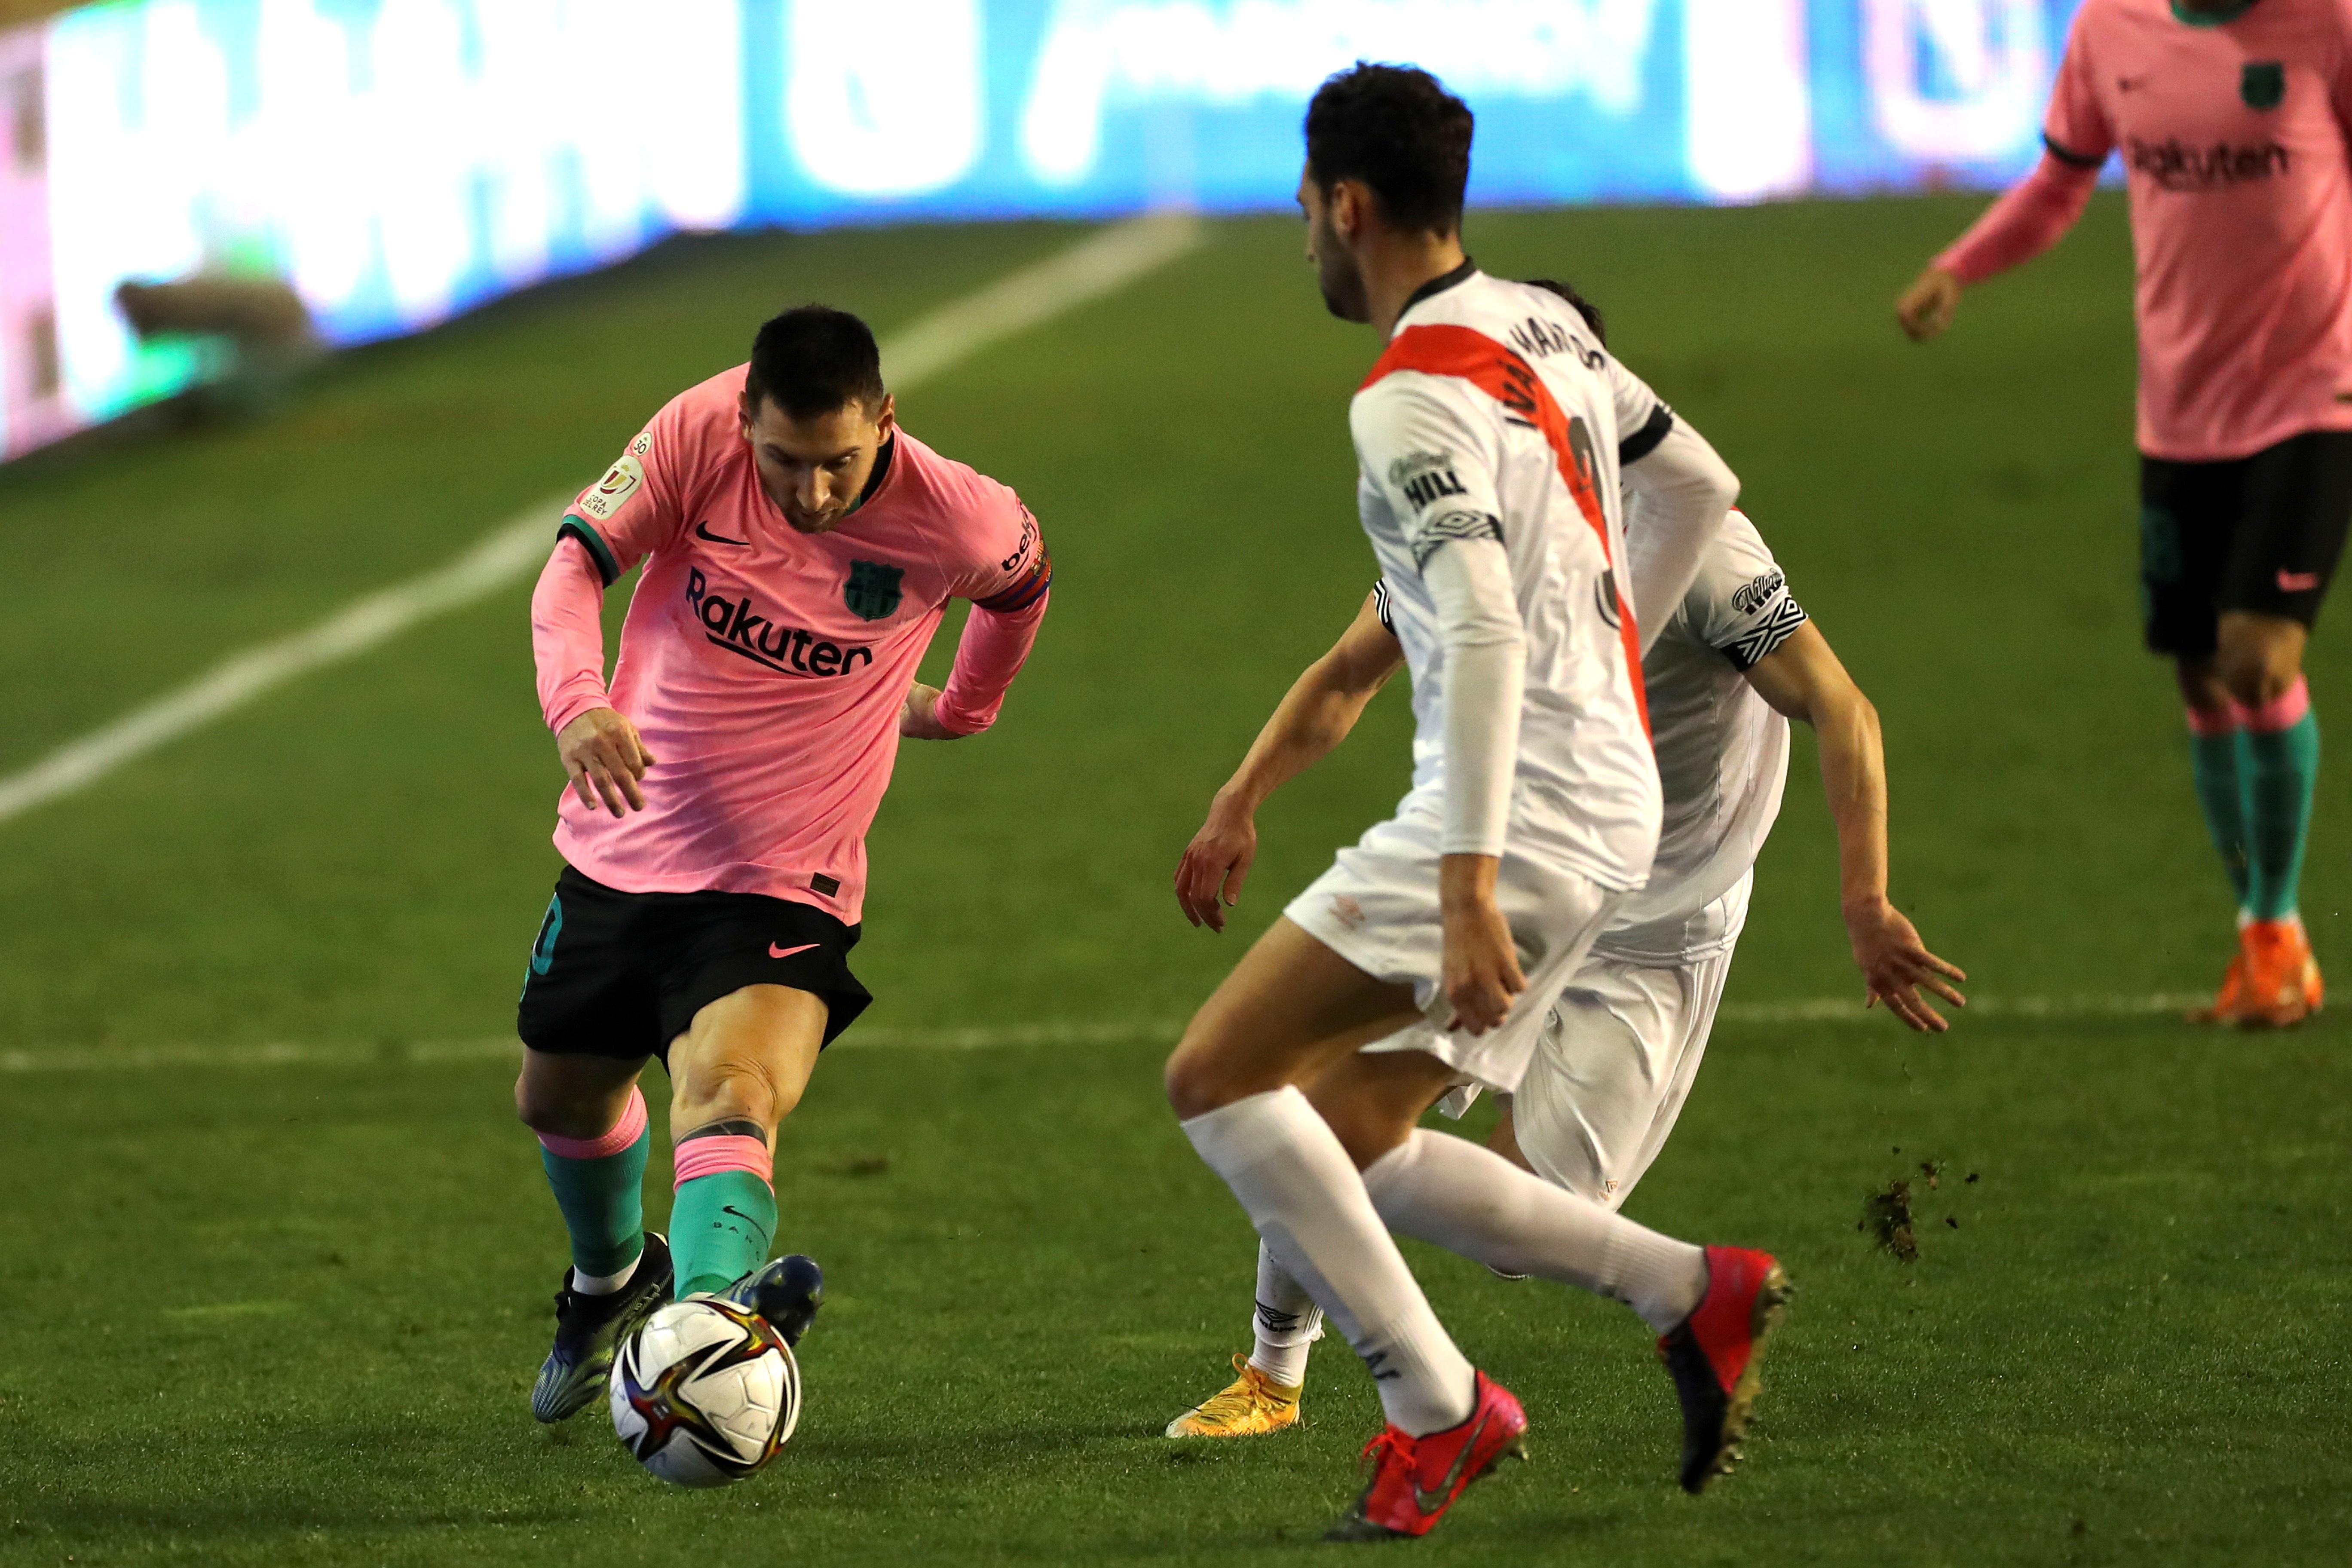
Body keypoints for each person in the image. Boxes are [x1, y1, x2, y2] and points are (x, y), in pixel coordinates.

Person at [1164, 290, 1964, 1444]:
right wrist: (1240, 798)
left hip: (1662, 913)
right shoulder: (1477, 514)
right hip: (1520, 856)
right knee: (1308, 1086)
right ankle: (1274, 1371)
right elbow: (1349, 670)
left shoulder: (1698, 551)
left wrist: (1866, 896)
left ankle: (1680, 1292)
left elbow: (1840, 707)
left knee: (1528, 1206)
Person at [1161, 65, 1775, 1543]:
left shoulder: (1410, 391)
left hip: (1518, 809)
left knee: (1217, 1071)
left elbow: (1487, 626)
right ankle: (1690, 1287)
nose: (1303, 232)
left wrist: (1462, 875)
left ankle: (1436, 1404)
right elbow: (1696, 480)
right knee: (1353, 1121)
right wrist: (1608, 646)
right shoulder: (1543, 321)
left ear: (1348, 205)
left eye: (1307, 207)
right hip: (1606, 792)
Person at [511, 305, 1052, 1423]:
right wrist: (578, 707)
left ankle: (704, 1329)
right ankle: (616, 1279)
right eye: (787, 463)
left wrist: (965, 704)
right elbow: (571, 574)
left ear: (886, 423)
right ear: (746, 418)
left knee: (733, 1091)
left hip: (785, 871)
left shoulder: (957, 513)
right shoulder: (693, 434)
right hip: (629, 841)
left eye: (840, 464)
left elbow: (1020, 587)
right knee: (561, 1100)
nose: (811, 493)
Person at [1897, 0, 2352, 1026]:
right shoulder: (2109, 31)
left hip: (2313, 397)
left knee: (2257, 661)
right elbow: (2061, 183)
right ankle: (2260, 933)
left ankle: (2276, 928)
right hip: (2180, 414)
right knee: (2197, 674)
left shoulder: (2327, 25)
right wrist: (1958, 267)